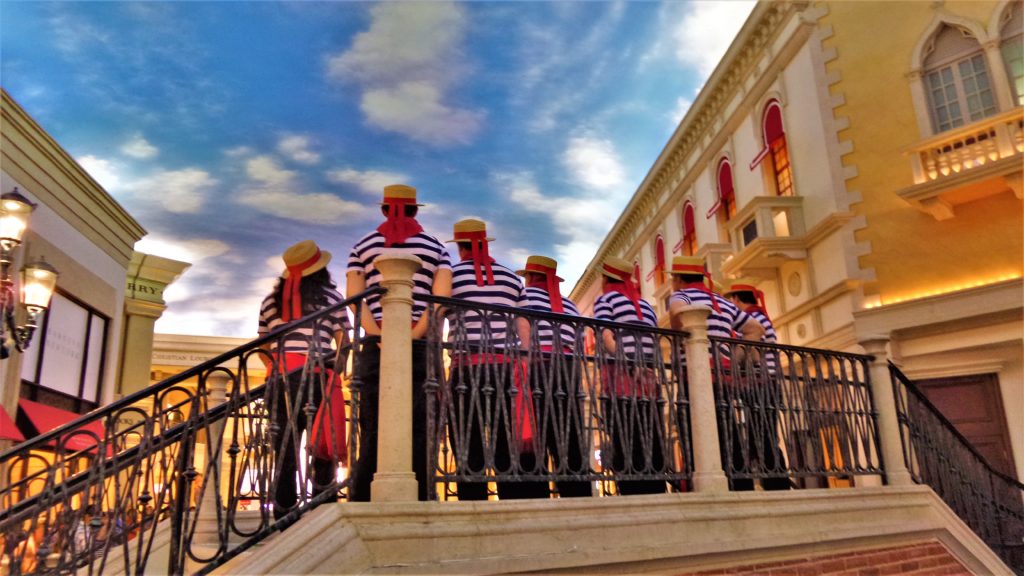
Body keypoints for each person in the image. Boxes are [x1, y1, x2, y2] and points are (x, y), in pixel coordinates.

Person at [346, 184, 452, 502]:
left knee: (373, 426)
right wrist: (412, 335)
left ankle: (364, 501)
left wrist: (380, 333)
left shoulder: (362, 246)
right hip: (421, 347)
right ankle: (419, 500)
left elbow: (355, 297)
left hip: (375, 347)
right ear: (415, 210)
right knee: (422, 427)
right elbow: (440, 299)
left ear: (383, 209)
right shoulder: (436, 248)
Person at [258, 239, 350, 521]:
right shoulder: (330, 299)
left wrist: (280, 367)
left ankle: (284, 515)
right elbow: (344, 341)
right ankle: (323, 512)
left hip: (281, 378)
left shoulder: (270, 302)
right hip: (318, 376)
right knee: (323, 448)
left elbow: (263, 346)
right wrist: (339, 369)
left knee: (284, 450)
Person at [445, 219, 534, 500]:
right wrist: (526, 360)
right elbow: (524, 323)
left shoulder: (451, 275)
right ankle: (513, 498)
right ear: (485, 243)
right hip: (506, 367)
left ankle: (472, 501)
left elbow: (439, 314)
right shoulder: (510, 277)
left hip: (467, 367)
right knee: (506, 437)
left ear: (460, 248)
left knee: (466, 437)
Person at [666, 256, 765, 492]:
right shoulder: (723, 302)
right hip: (724, 377)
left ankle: (705, 487)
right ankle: (741, 485)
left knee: (695, 432)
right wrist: (735, 358)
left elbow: (679, 315)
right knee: (727, 428)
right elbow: (755, 329)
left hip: (695, 376)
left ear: (678, 279)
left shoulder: (682, 296)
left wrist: (678, 334)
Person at [516, 255, 591, 498]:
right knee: (568, 440)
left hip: (536, 368)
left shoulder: (524, 297)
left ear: (530, 277)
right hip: (568, 372)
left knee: (533, 438)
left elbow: (516, 334)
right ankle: (577, 496)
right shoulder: (570, 305)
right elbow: (579, 343)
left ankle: (534, 499)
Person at [592, 256, 666, 496]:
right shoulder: (645, 306)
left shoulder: (605, 300)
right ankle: (655, 490)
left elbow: (606, 337)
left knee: (625, 436)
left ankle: (633, 492)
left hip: (621, 378)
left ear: (606, 278)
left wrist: (631, 365)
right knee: (651, 438)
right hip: (649, 381)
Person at [724, 279, 790, 491]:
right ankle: (773, 481)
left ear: (736, 299)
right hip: (766, 383)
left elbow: (753, 352)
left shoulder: (754, 319)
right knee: (763, 434)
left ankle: (776, 483)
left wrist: (732, 363)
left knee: (764, 434)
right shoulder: (761, 317)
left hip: (760, 383)